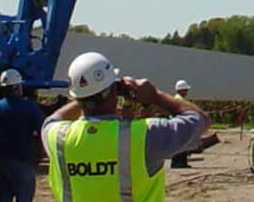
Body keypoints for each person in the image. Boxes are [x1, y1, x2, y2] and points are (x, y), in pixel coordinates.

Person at [41, 51, 207, 201]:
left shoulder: (56, 137)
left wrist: (86, 93)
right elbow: (200, 120)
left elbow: (52, 120)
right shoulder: (144, 135)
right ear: (114, 91)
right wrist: (155, 96)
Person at [0, 68, 44, 202]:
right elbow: (42, 130)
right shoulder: (30, 107)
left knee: (3, 196)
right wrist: (40, 154)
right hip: (23, 160)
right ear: (18, 86)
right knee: (24, 197)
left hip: (1, 160)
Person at [169, 80, 193, 168]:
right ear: (181, 90)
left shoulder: (178, 98)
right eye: (186, 90)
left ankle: (181, 162)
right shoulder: (178, 99)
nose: (187, 92)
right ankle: (177, 163)